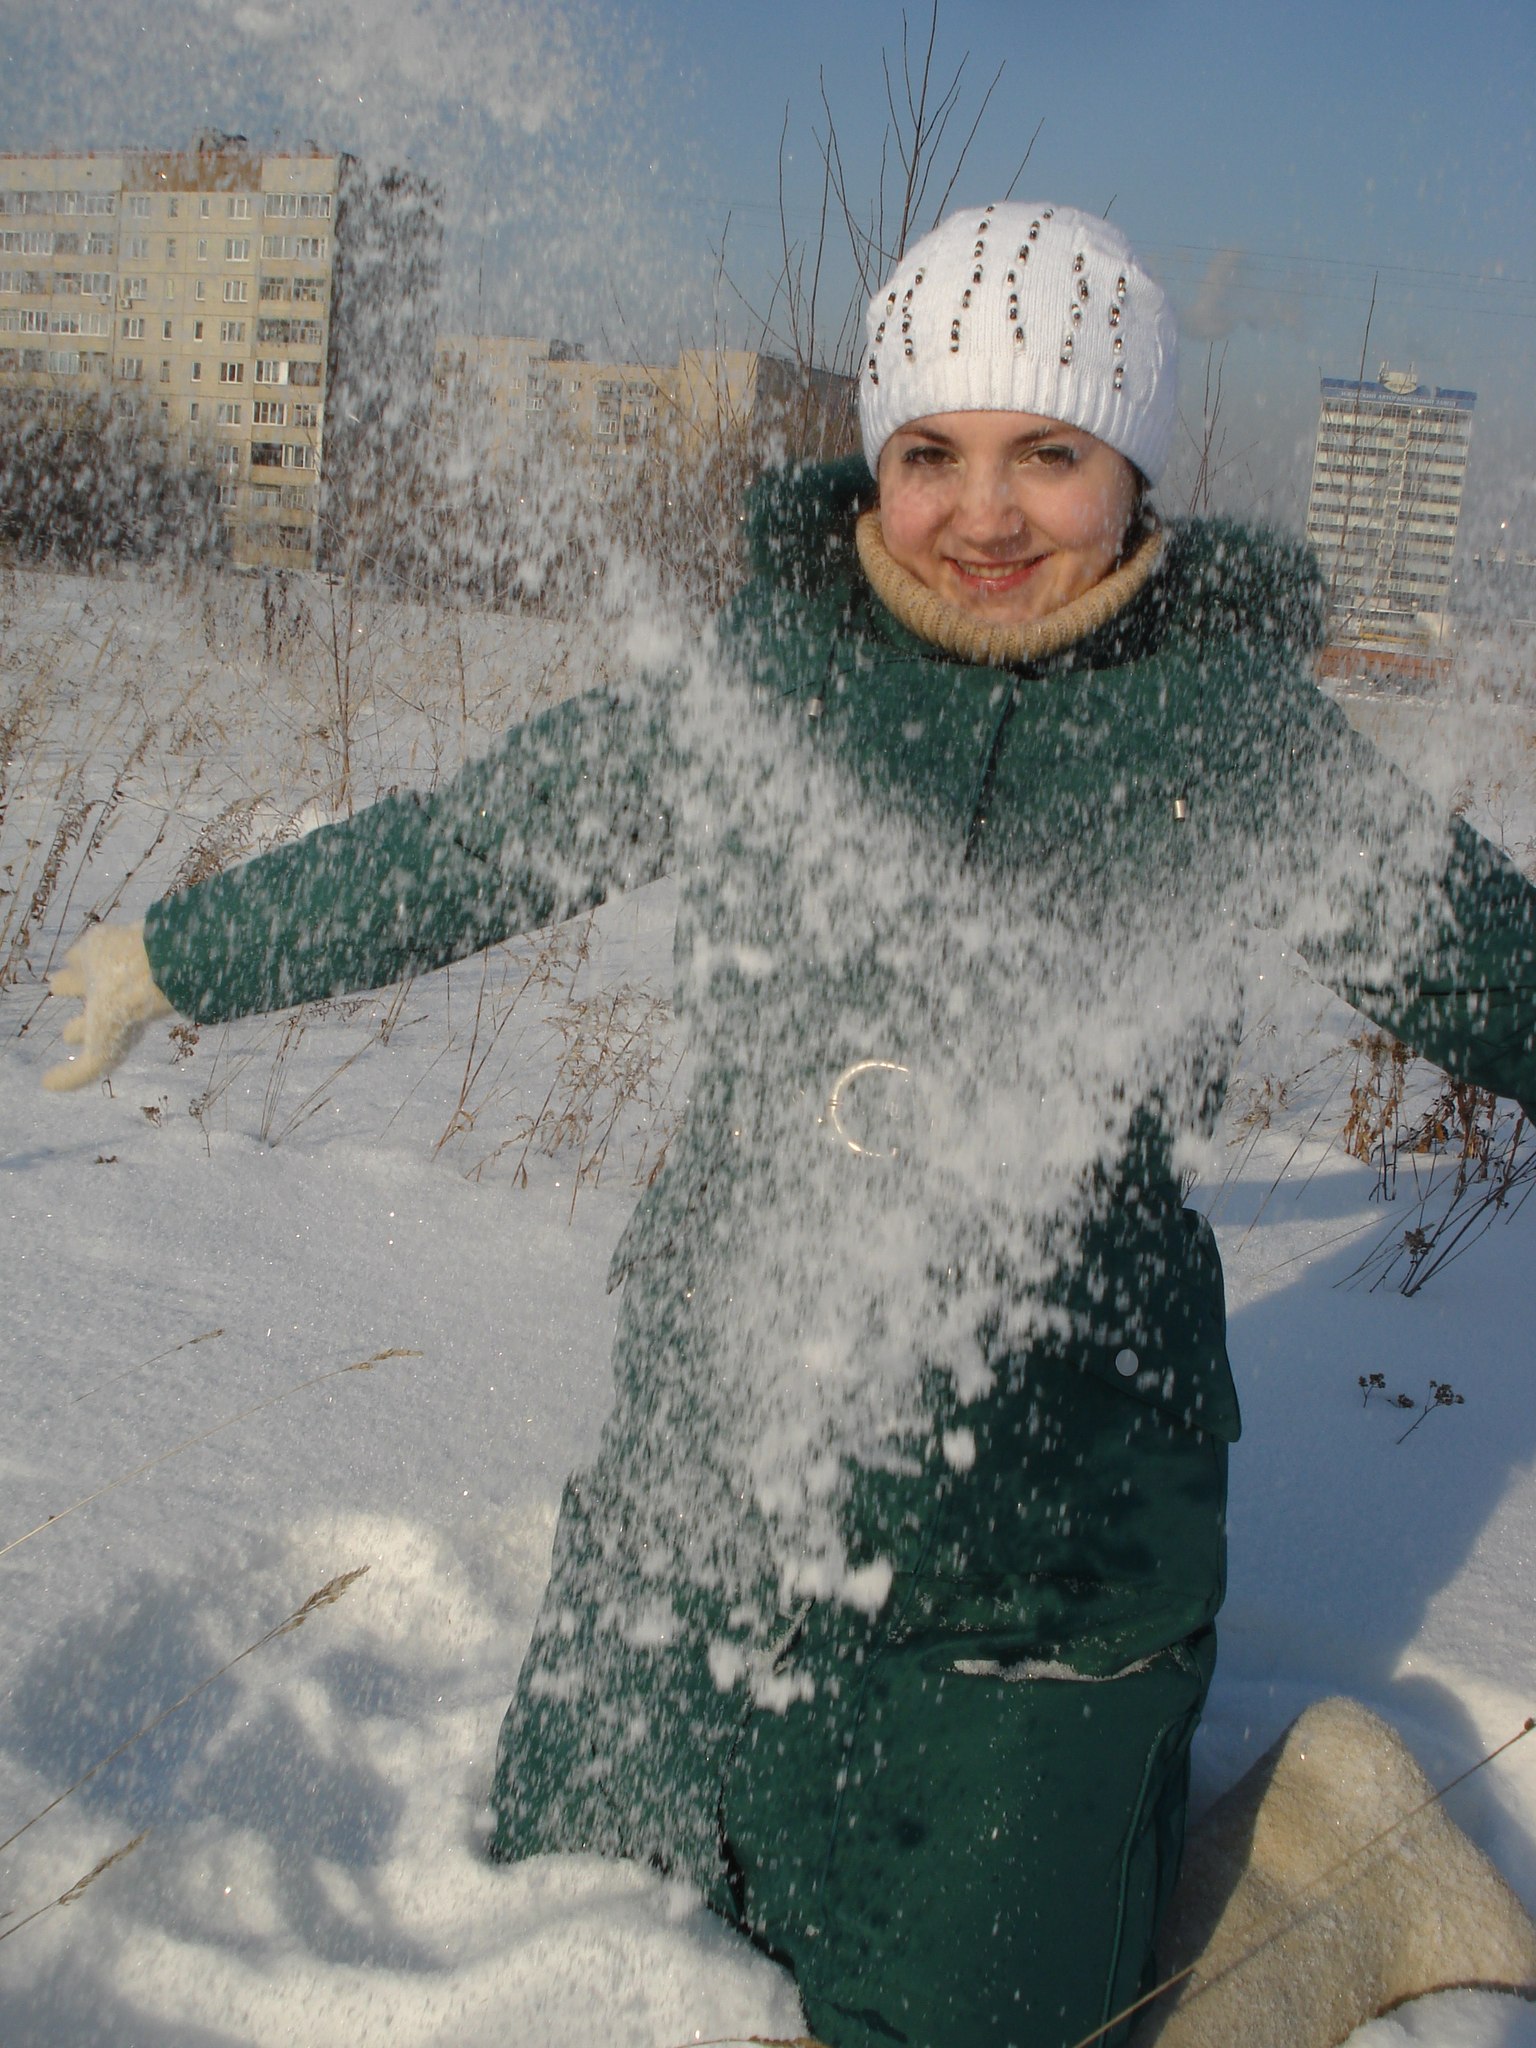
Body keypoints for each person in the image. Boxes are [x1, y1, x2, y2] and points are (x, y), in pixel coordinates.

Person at [44, 204, 1536, 2048]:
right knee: (580, 1919)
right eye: (932, 454)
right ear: (875, 460)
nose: (984, 514)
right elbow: (481, 842)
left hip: (1043, 1555)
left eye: (1048, 453)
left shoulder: (1230, 741)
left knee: (966, 2020)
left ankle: (1296, 1854)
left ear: (1134, 469)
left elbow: (1493, 967)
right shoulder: (774, 680)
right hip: (709, 1490)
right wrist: (176, 954)